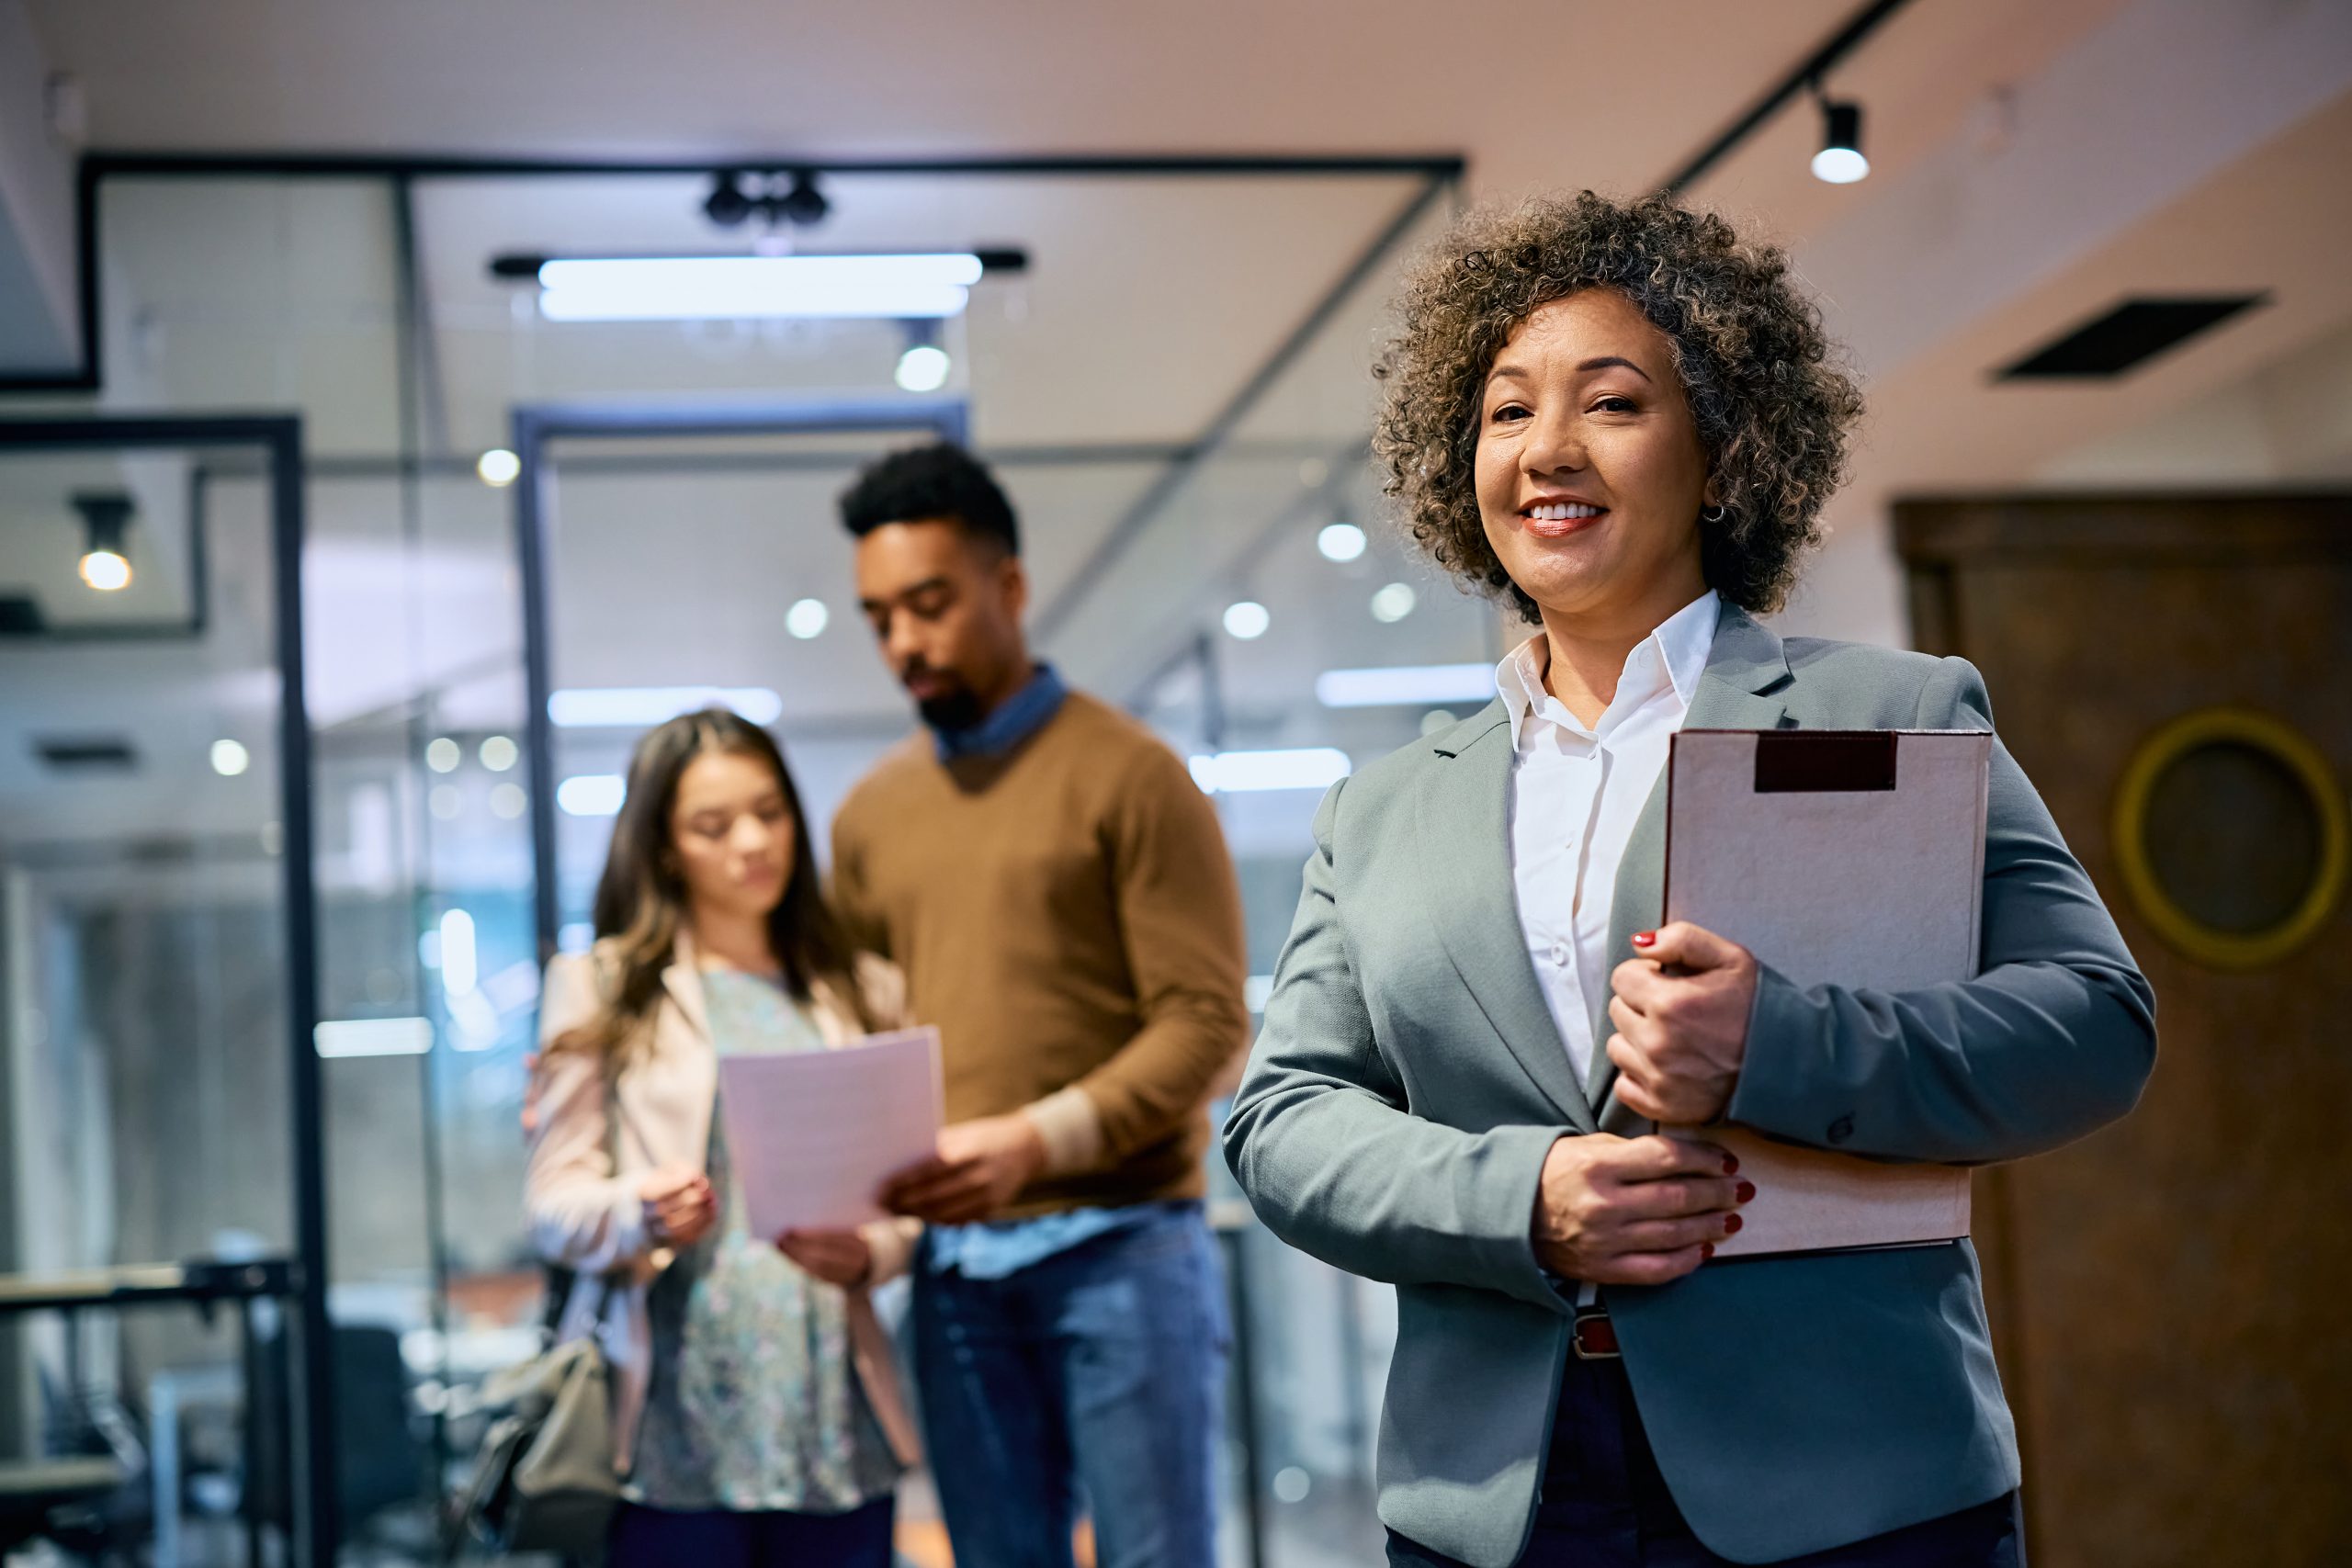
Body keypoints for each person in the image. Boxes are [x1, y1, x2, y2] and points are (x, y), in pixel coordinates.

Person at [1223, 192, 2157, 1568]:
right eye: (1504, 411)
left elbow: (2096, 1023)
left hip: (1856, 1484)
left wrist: (1776, 1040)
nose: (1548, 448)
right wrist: (1521, 1194)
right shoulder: (1381, 807)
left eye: (1611, 402)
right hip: (1497, 1500)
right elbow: (1283, 1119)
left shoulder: (1889, 712)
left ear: (1722, 450)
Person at [827, 442, 1250, 1567]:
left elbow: (1206, 1026)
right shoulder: (869, 817)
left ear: (1008, 587)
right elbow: (868, 1043)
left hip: (1124, 1252)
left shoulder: (1132, 776)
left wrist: (1032, 1140)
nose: (905, 644)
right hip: (957, 1272)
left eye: (929, 605)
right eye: (879, 620)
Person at [526, 708, 921, 1568]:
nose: (753, 841)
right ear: (665, 846)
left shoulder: (861, 989)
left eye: (770, 812)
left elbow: (908, 1195)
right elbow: (554, 1206)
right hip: (675, 1425)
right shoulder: (599, 988)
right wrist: (642, 1211)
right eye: (714, 825)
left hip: (831, 1419)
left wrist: (874, 1252)